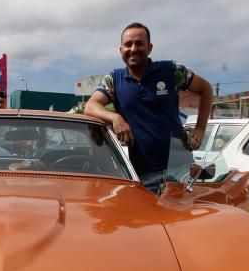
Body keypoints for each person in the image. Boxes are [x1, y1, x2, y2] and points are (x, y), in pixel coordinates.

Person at [85, 22, 213, 193]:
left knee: (181, 219)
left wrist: (200, 128)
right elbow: (91, 106)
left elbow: (206, 89)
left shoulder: (171, 71)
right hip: (139, 176)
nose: (133, 48)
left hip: (178, 171)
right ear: (120, 49)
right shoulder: (114, 79)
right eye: (128, 44)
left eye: (139, 43)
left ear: (150, 47)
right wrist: (116, 118)